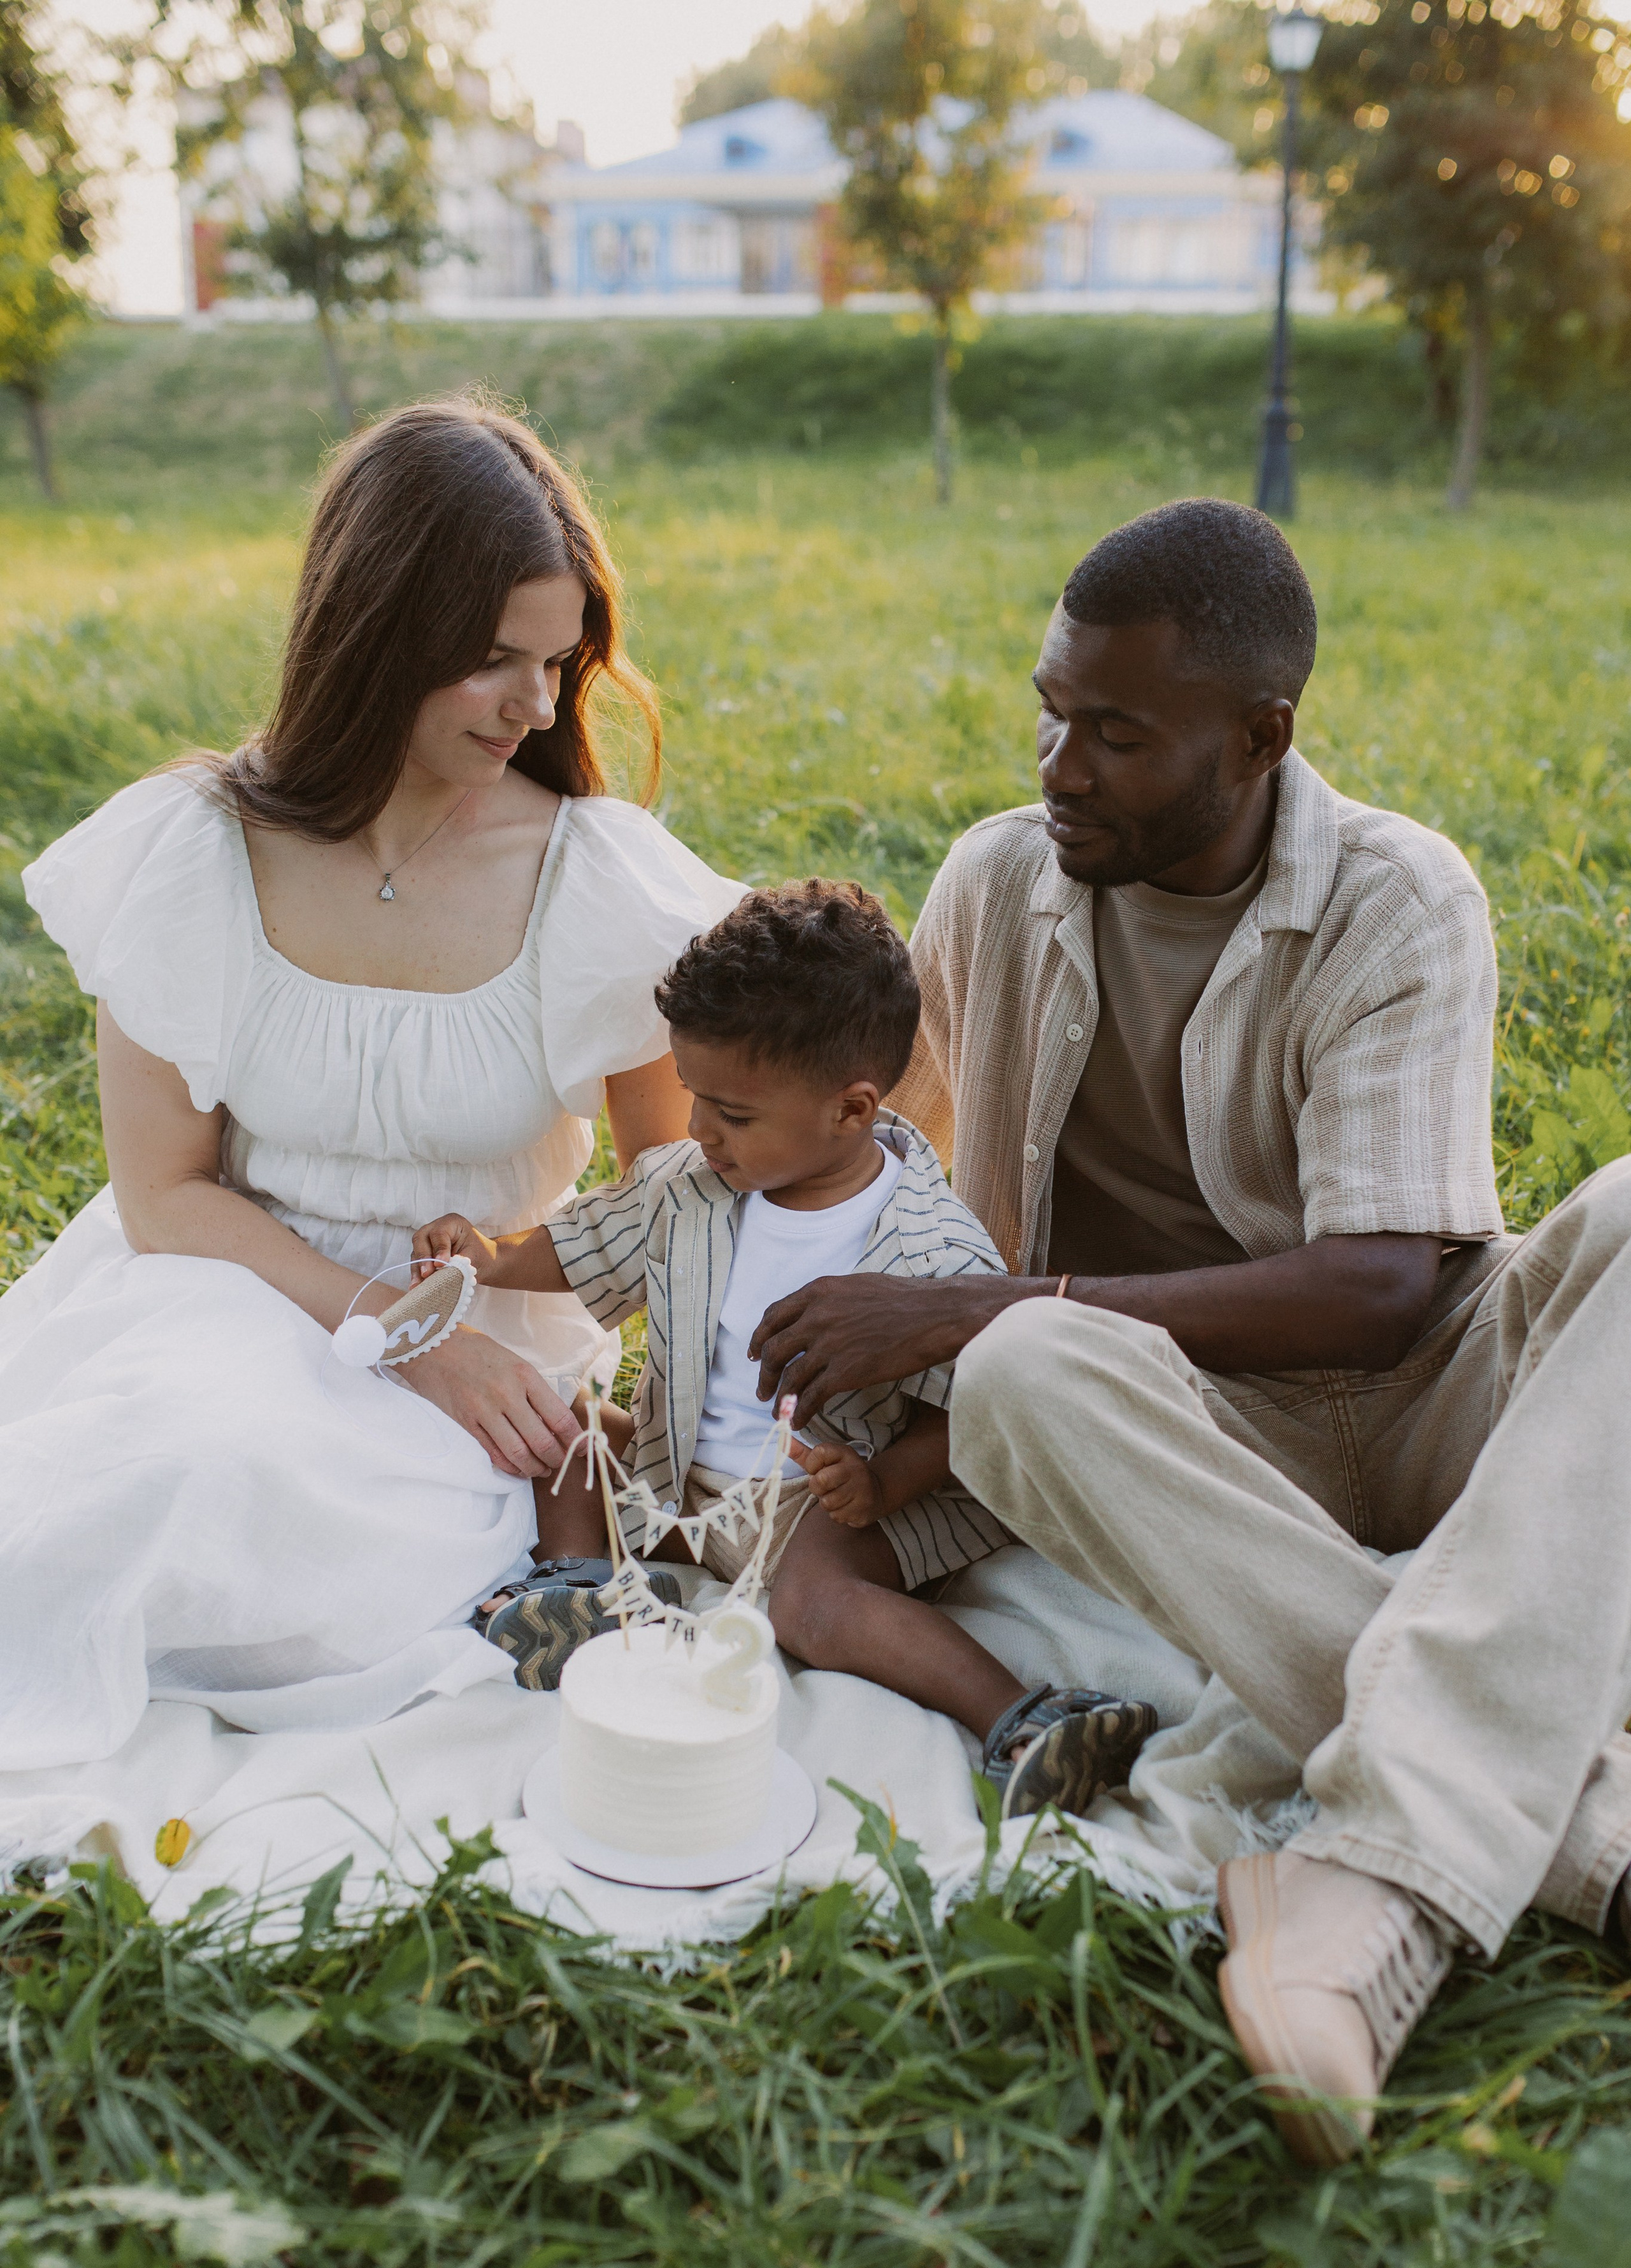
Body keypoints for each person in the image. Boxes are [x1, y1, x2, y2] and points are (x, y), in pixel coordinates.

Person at [745, 496, 1631, 2167]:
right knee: (1013, 1369)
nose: (1059, 764)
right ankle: (1580, 1833)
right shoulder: (999, 884)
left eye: (1115, 732)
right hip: (1173, 1429)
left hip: (1428, 1388)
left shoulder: (1397, 895)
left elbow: (1381, 1285)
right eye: (1051, 712)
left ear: (1260, 737)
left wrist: (985, 1299)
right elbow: (883, 1161)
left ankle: (1380, 1862)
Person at [0, 398, 742, 1770]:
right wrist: (404, 1335)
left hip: (496, 1344)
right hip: (226, 1294)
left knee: (301, 1536)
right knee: (163, 1472)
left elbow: (676, 1190)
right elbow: (165, 1194)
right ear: (373, 631)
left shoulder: (593, 878)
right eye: (491, 662)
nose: (534, 704)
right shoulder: (193, 850)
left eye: (559, 660)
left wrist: (651, 1389)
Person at [412, 880, 1159, 1819]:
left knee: (815, 1610)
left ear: (850, 1111)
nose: (696, 1131)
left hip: (816, 1509)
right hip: (672, 1470)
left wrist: (884, 1485)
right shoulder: (693, 1188)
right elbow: (585, 1246)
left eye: (732, 1113)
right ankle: (580, 1588)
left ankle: (1022, 1715)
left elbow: (974, 1410)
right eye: (694, 1097)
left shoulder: (929, 1252)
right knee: (560, 1424)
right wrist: (489, 1260)